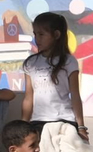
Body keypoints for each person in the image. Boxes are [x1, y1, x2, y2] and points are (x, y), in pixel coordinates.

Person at [22, 12, 86, 140]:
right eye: (35, 34)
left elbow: (75, 95)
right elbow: (29, 97)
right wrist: (23, 123)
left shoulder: (69, 61)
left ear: (56, 35)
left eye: (41, 34)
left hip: (65, 120)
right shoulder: (31, 63)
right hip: (39, 121)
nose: (37, 39)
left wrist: (81, 126)